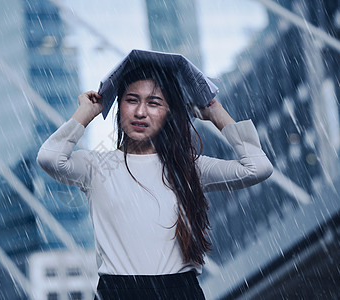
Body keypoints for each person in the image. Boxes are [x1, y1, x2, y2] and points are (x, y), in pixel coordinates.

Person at [37, 58, 273, 299]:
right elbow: (49, 158)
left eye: (154, 103)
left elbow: (258, 168)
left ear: (168, 112)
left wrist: (215, 113)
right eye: (132, 100)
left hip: (180, 292)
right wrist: (85, 114)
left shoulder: (190, 168)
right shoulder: (96, 167)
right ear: (120, 108)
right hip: (118, 293)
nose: (140, 112)